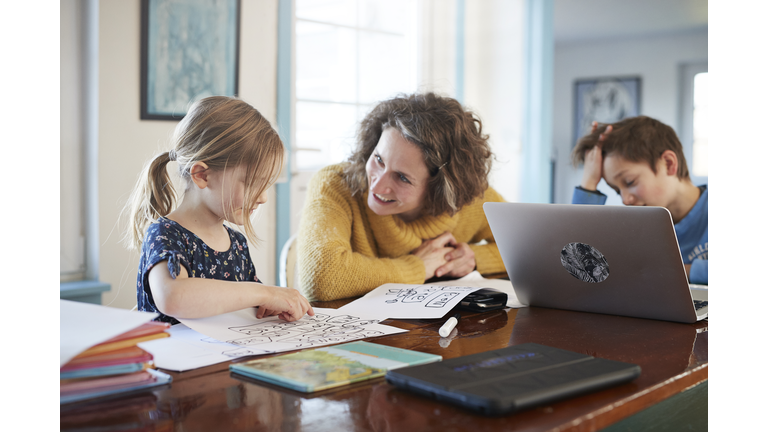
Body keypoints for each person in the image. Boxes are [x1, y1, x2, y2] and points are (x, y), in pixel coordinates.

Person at [297, 92, 507, 302]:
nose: (377, 184)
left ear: (441, 188)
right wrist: (418, 267)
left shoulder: (470, 198)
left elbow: (533, 250)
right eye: (379, 159)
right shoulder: (335, 183)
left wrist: (472, 258)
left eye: (401, 177)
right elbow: (319, 278)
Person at [124, 96, 314, 324]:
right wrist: (265, 293)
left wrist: (271, 305)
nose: (263, 198)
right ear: (202, 175)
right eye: (252, 184)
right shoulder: (164, 234)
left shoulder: (237, 243)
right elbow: (173, 297)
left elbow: (250, 307)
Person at [571, 116, 708, 284]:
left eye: (630, 182)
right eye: (616, 190)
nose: (625, 200)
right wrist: (589, 183)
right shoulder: (637, 224)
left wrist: (675, 271)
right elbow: (577, 263)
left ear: (668, 163)